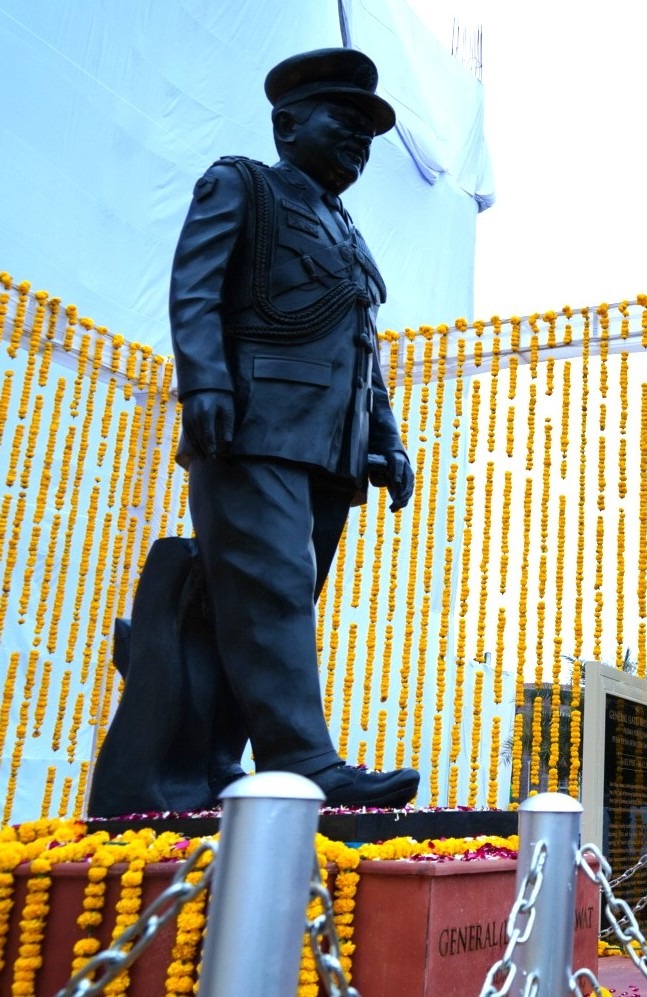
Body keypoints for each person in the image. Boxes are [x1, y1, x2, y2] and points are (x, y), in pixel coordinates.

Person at [103, 48, 418, 811]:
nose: (360, 139)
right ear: (287, 125)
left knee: (254, 611)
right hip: (250, 428)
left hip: (331, 450)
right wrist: (205, 382)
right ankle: (304, 760)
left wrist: (385, 436)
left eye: (369, 132)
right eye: (344, 120)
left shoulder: (348, 233)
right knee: (272, 595)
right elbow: (196, 288)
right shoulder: (243, 185)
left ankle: (209, 763)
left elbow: (362, 347)